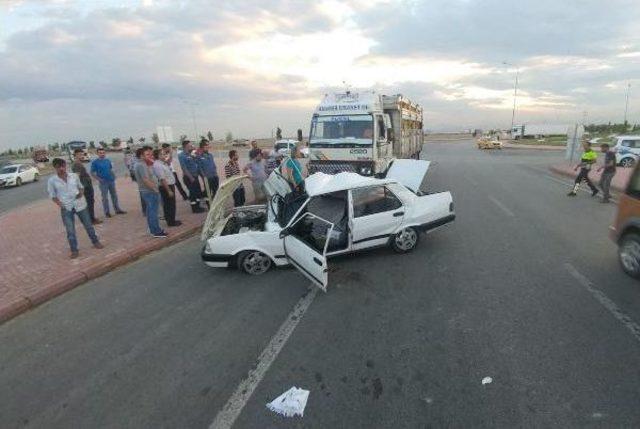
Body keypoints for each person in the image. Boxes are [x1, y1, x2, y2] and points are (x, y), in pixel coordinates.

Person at [47, 158, 104, 258]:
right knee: (70, 231)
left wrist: (81, 193)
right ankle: (74, 250)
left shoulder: (73, 176)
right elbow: (52, 196)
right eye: (59, 167)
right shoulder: (52, 181)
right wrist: (60, 204)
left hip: (80, 204)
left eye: (63, 166)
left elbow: (81, 187)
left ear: (65, 165)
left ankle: (95, 242)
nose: (61, 169)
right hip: (66, 207)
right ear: (55, 168)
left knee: (88, 225)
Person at [134, 146, 167, 238]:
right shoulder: (141, 165)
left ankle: (152, 228)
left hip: (147, 191)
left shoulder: (141, 164)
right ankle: (156, 231)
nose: (150, 156)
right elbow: (145, 179)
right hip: (149, 191)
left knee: (150, 211)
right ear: (141, 156)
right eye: (147, 154)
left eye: (151, 154)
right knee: (153, 212)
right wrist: (155, 189)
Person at [90, 147, 126, 217]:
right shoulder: (95, 162)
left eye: (103, 153)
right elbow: (92, 173)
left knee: (114, 196)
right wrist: (99, 179)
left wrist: (114, 176)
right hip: (103, 183)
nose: (102, 154)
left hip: (111, 181)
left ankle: (117, 210)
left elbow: (110, 169)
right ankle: (107, 212)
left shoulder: (107, 161)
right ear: (97, 153)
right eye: (100, 153)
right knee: (105, 198)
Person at [72, 148, 101, 225]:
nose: (82, 156)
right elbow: (77, 177)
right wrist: (81, 188)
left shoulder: (78, 163)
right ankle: (91, 220)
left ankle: (91, 218)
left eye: (82, 154)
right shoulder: (77, 164)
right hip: (85, 187)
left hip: (86, 185)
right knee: (89, 202)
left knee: (90, 202)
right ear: (75, 155)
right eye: (80, 154)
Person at [153, 149, 182, 227]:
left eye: (164, 154)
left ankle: (171, 220)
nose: (163, 155)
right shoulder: (158, 165)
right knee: (169, 205)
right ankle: (171, 222)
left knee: (170, 204)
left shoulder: (162, 163)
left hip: (169, 185)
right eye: (161, 154)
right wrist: (169, 190)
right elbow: (162, 179)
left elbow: (169, 162)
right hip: (166, 186)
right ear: (157, 156)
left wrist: (170, 154)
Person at [178, 140, 205, 213]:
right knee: (193, 193)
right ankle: (194, 208)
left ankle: (198, 206)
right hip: (189, 178)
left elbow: (197, 161)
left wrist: (195, 152)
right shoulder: (181, 155)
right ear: (186, 146)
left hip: (195, 176)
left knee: (197, 192)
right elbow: (184, 168)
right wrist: (191, 178)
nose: (192, 146)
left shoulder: (191, 154)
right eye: (190, 145)